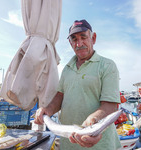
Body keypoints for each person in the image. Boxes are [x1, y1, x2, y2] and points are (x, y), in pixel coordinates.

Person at [35, 19, 121, 150]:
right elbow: (60, 95)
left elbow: (111, 105)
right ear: (70, 43)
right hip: (68, 145)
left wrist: (93, 121)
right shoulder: (67, 68)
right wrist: (48, 110)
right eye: (74, 39)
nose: (79, 43)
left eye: (83, 37)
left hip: (101, 145)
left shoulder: (107, 65)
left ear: (93, 38)